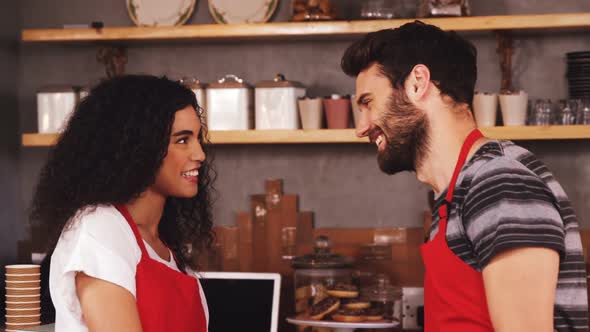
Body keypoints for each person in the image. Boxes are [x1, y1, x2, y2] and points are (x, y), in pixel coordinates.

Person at [341, 21, 588, 331]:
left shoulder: (499, 184)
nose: (360, 127)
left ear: (417, 83)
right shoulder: (456, 193)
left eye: (368, 103)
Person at [30, 75, 215, 332]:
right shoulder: (100, 228)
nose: (200, 154)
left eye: (197, 138)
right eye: (182, 140)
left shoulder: (167, 250)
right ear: (139, 148)